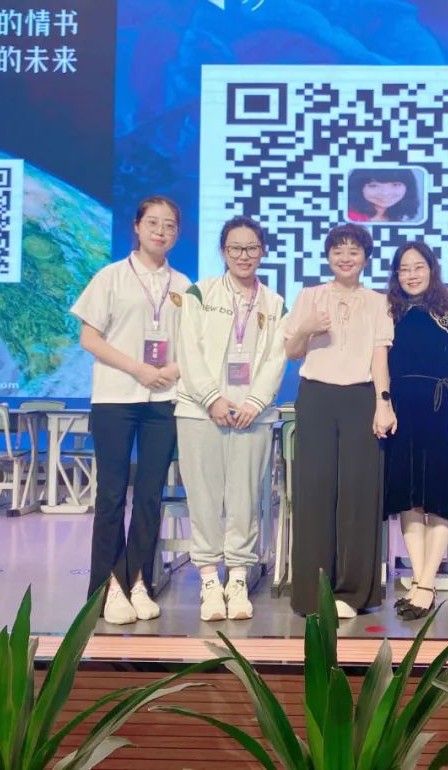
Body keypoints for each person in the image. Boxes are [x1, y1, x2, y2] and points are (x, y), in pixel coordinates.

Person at [71, 195, 191, 625]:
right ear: (137, 227)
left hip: (163, 399)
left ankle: (138, 579)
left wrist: (172, 369)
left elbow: (193, 346)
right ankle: (106, 588)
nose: (161, 231)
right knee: (110, 494)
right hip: (116, 396)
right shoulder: (111, 277)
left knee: (149, 494)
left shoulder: (183, 286)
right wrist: (138, 368)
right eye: (153, 223)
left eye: (170, 225)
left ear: (177, 234)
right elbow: (89, 338)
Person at [175, 216, 287, 622]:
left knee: (245, 497)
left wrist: (255, 401)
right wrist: (212, 398)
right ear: (223, 251)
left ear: (263, 251)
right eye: (236, 248)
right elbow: (187, 349)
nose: (244, 255)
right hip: (199, 411)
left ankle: (237, 578)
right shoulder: (199, 293)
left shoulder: (274, 303)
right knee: (203, 496)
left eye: (252, 248)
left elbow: (276, 358)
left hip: (252, 415)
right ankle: (209, 580)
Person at [282, 223, 396, 617]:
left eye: (353, 250)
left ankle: (352, 593)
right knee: (314, 492)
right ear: (328, 255)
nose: (345, 257)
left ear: (365, 257)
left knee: (358, 493)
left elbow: (379, 358)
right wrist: (306, 329)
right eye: (338, 250)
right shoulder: (309, 296)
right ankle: (312, 593)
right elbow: (291, 352)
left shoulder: (379, 302)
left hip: (361, 398)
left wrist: (383, 403)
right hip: (316, 396)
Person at [383, 241, 448, 621]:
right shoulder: (388, 311)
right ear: (396, 274)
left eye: (418, 267)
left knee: (438, 499)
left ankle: (425, 583)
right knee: (409, 499)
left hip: (442, 411)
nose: (412, 275)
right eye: (404, 269)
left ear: (431, 269)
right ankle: (423, 582)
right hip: (400, 412)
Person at [347, 168, 421, 222]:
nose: (385, 193)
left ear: (408, 187)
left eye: (395, 185)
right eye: (374, 186)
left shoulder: (395, 217)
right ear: (358, 188)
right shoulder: (351, 218)